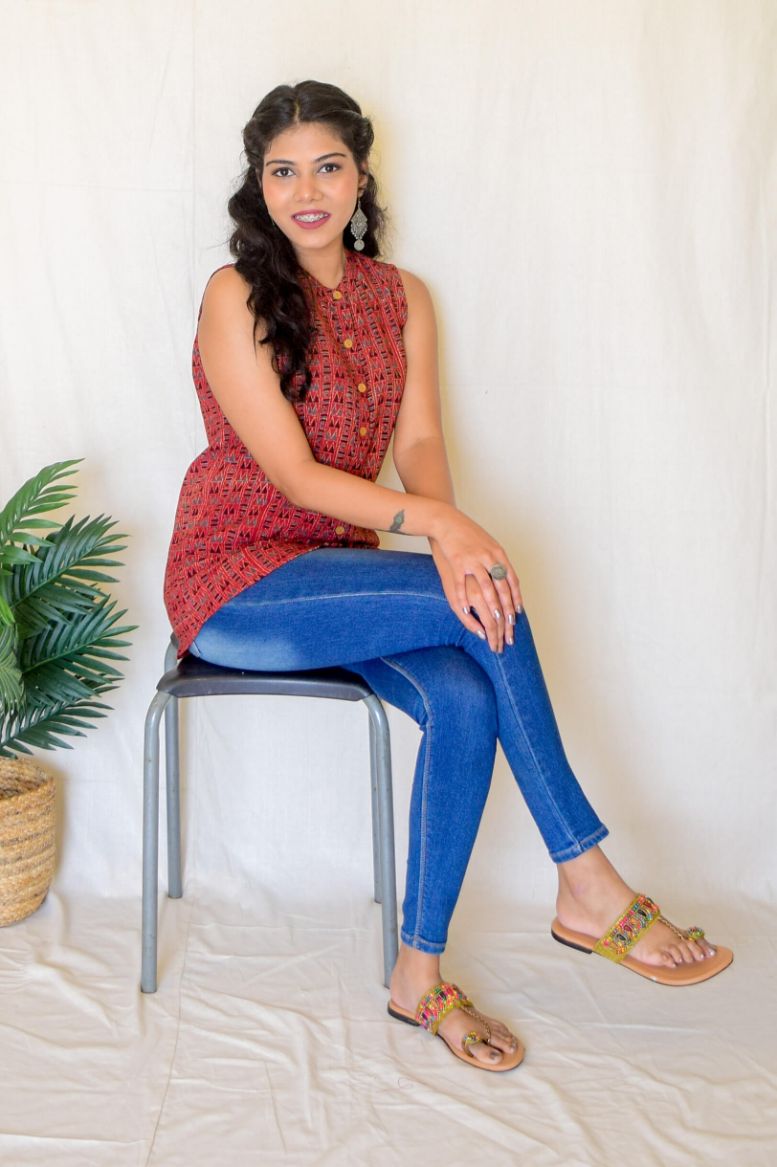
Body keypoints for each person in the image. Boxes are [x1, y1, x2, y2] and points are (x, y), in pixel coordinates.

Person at [164, 80, 732, 1073]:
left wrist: (449, 548)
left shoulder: (402, 297)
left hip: (347, 575)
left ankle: (416, 975)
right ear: (259, 185)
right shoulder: (234, 294)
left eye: (327, 167)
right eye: (283, 171)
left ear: (361, 176)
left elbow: (419, 441)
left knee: (467, 687)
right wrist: (450, 532)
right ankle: (587, 879)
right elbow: (294, 476)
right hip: (237, 581)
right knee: (491, 585)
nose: (307, 190)